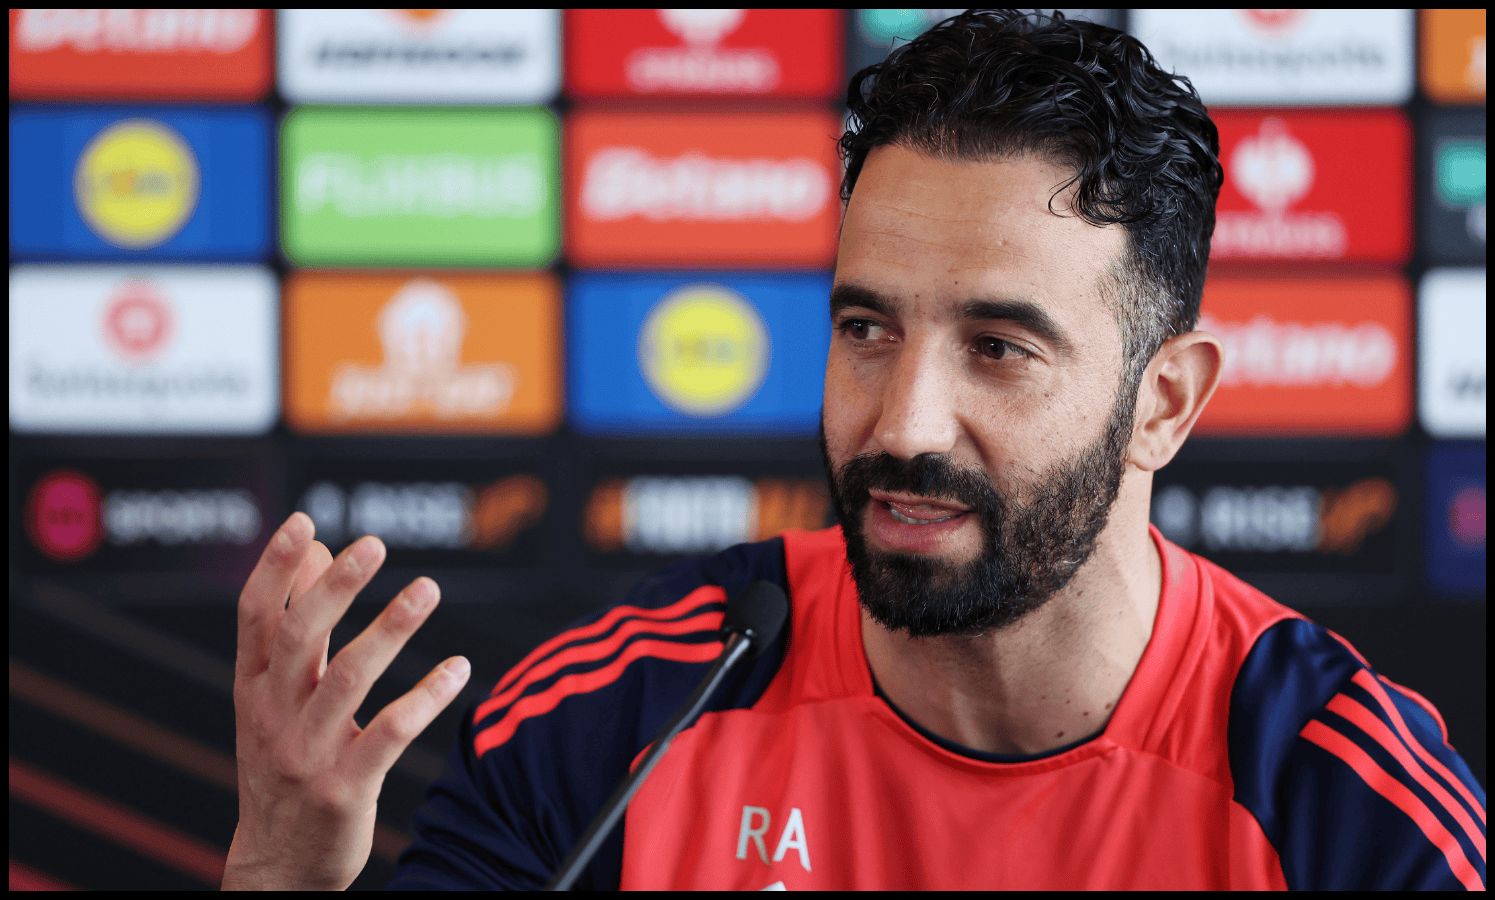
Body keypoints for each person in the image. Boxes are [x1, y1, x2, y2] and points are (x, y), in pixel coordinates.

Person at [222, 10, 1487, 891]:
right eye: (867, 326)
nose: (901, 424)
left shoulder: (1337, 795)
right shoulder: (630, 710)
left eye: (998, 346)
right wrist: (282, 875)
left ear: (1165, 402)